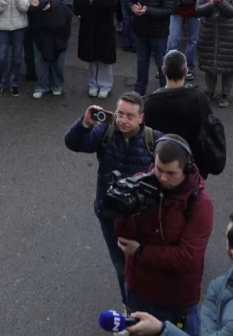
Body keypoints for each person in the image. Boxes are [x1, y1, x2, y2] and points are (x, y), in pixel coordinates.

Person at [113, 136, 215, 335]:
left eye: (171, 173)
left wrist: (141, 251)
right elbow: (124, 237)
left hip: (175, 300)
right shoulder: (140, 182)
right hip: (138, 288)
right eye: (158, 169)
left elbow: (187, 257)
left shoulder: (200, 204)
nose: (162, 177)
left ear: (186, 169)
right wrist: (120, 211)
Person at [64, 94, 157, 307]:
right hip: (109, 215)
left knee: (146, 264)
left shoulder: (154, 140)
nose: (123, 120)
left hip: (141, 219)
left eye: (130, 116)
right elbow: (73, 143)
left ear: (141, 118)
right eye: (120, 114)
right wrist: (85, 123)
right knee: (121, 266)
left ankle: (150, 309)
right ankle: (130, 308)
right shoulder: (105, 132)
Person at [145, 51, 217, 157]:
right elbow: (208, 126)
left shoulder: (152, 101)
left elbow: (147, 133)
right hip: (194, 158)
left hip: (163, 158)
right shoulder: (198, 97)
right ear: (186, 71)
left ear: (163, 70)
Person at [129, 0, 177, 95]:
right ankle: (139, 90)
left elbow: (169, 10)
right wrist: (133, 8)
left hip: (158, 33)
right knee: (141, 62)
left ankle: (165, 91)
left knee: (161, 63)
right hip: (141, 30)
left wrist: (147, 10)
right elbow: (129, 0)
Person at [75, 0, 120, 99]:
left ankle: (105, 85)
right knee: (92, 56)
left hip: (105, 26)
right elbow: (77, 6)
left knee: (105, 58)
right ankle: (93, 84)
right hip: (88, 25)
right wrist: (89, 1)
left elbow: (113, 7)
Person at [29, 0, 74, 98]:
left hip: (59, 33)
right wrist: (37, 7)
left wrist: (51, 8)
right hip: (41, 31)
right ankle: (41, 86)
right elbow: (31, 8)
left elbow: (68, 12)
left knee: (58, 62)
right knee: (40, 60)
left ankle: (57, 84)